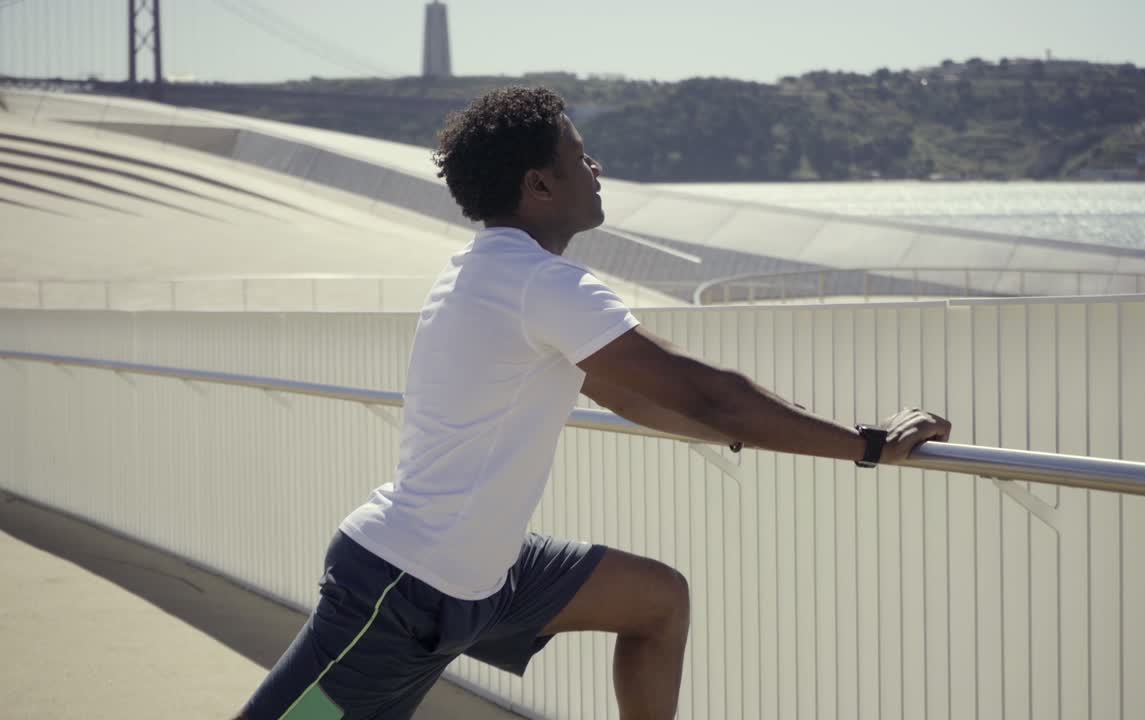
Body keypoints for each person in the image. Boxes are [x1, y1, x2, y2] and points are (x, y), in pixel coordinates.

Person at [237, 86, 950, 720]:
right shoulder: (540, 285)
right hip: (401, 592)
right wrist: (868, 444)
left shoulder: (491, 272)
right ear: (541, 184)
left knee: (658, 601)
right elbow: (712, 394)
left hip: (491, 575)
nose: (595, 167)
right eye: (581, 156)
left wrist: (739, 432)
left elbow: (631, 395)